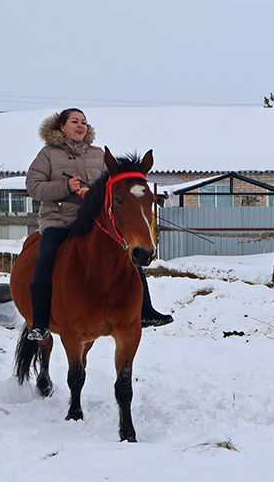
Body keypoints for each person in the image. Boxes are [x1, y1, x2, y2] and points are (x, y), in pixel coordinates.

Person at [24, 108, 172, 341]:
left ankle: (146, 310)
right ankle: (40, 322)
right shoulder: (48, 154)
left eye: (83, 121)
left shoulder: (97, 155)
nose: (81, 125)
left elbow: (112, 189)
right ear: (62, 127)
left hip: (94, 222)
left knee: (127, 255)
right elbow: (33, 187)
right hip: (59, 220)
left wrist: (92, 192)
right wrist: (66, 187)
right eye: (75, 121)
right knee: (46, 256)